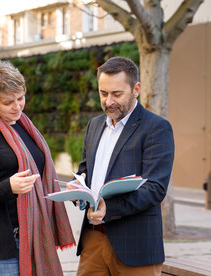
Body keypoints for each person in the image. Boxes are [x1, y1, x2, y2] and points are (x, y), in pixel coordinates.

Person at [0, 60, 75, 276]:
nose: (17, 106)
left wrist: (70, 189)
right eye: (8, 102)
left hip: (33, 239)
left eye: (20, 98)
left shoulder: (26, 128)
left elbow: (42, 179)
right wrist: (7, 188)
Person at [67, 56, 175, 276]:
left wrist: (110, 208)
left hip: (136, 247)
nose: (108, 101)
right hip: (93, 241)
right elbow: (84, 171)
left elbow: (155, 189)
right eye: (103, 93)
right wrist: (77, 189)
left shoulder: (157, 127)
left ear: (136, 89)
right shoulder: (94, 125)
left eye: (117, 94)